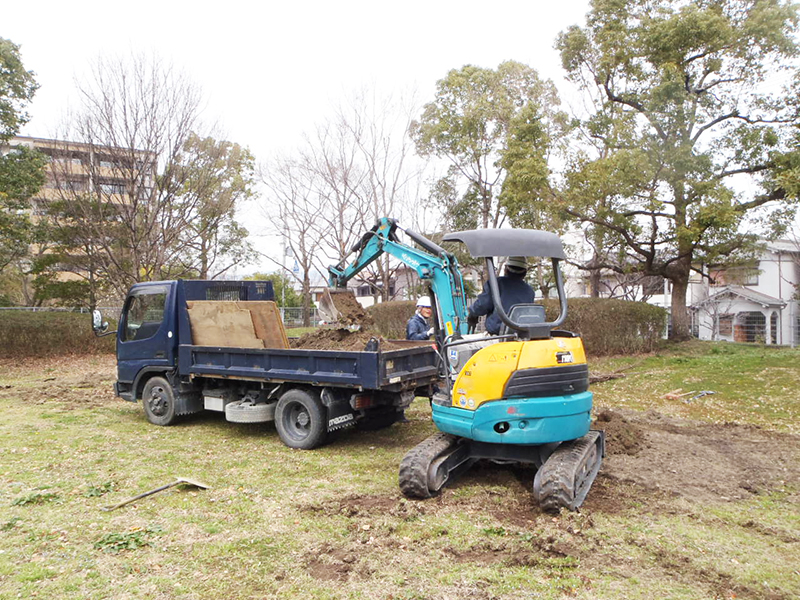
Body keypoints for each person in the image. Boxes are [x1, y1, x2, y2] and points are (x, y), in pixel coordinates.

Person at [468, 256, 535, 335]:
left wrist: (472, 313)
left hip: (499, 335)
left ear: (506, 269)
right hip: (522, 335)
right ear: (525, 273)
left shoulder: (495, 284)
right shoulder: (529, 291)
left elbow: (482, 305)